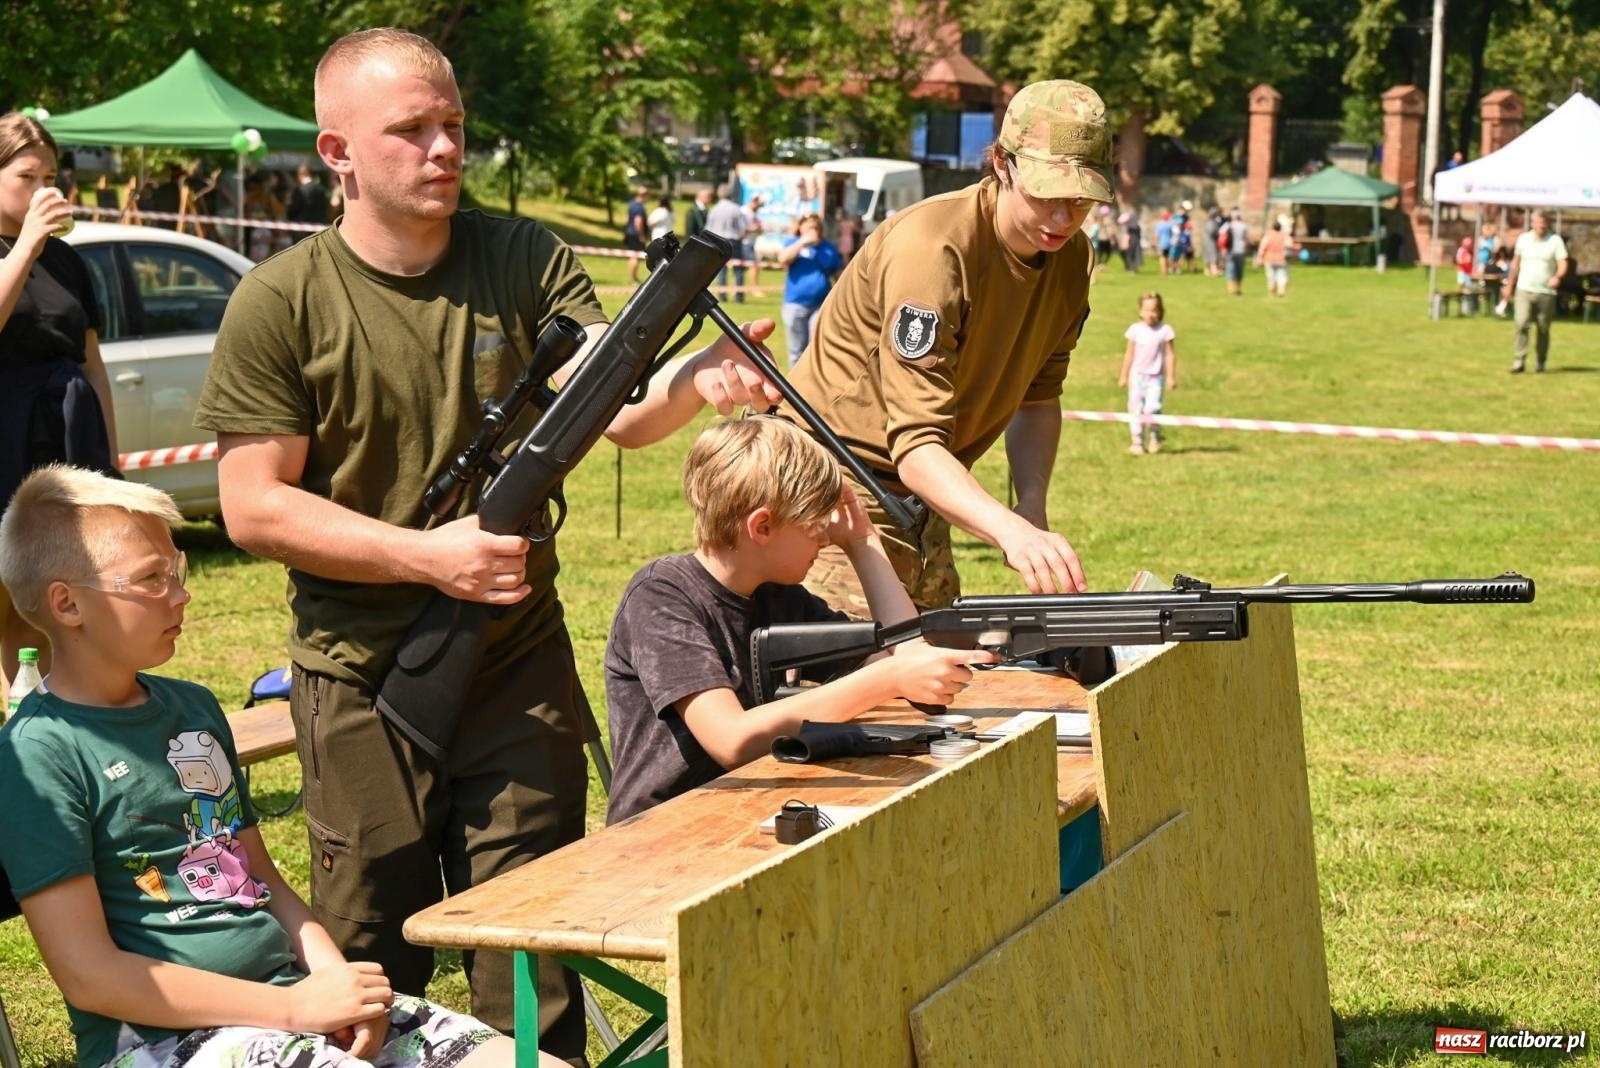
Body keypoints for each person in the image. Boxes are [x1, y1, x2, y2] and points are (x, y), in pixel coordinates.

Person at [192, 28, 781, 1065]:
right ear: (336, 152)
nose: (443, 148)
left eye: (453, 124)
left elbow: (611, 402)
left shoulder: (524, 258)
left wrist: (689, 383)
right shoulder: (281, 301)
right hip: (362, 671)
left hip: (514, 658)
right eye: (410, 129)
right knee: (372, 952)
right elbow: (253, 508)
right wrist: (427, 557)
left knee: (531, 941)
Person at [0, 465, 570, 1068]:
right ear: (67, 603)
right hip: (163, 1042)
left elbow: (260, 876)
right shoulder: (37, 753)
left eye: (177, 571)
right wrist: (294, 1010)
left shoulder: (193, 707)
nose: (181, 593)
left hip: (287, 1005)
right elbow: (89, 977)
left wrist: (337, 983)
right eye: (150, 579)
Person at [778, 79, 1110, 615]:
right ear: (1002, 164)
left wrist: (1030, 507)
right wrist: (1008, 531)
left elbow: (1039, 397)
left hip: (926, 493)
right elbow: (915, 444)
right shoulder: (932, 249)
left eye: (1081, 198)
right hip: (828, 486)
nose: (1064, 217)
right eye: (1047, 193)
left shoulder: (1072, 261)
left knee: (941, 657)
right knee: (859, 660)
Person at [603, 417, 996, 823]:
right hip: (659, 831)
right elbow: (731, 740)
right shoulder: (661, 597)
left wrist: (863, 543)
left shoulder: (779, 596)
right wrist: (889, 679)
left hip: (743, 814)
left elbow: (904, 656)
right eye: (815, 524)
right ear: (762, 526)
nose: (825, 537)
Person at [0, 111, 119, 705]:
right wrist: (25, 245)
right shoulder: (21, 249)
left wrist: (111, 462)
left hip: (66, 433)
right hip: (6, 431)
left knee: (56, 589)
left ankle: (42, 720)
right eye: (27, 176)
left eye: (50, 177)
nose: (44, 189)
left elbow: (92, 362)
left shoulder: (69, 259)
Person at [1504, 211, 1569, 373]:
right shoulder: (1523, 239)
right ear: (1532, 223)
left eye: (1544, 222)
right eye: (1539, 222)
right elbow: (1515, 263)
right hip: (1524, 289)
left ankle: (1541, 361)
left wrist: (1558, 277)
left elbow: (1563, 263)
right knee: (1521, 322)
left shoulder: (1555, 241)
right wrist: (1509, 285)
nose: (1542, 225)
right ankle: (1519, 360)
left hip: (1546, 292)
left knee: (1543, 328)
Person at [776, 212, 843, 368]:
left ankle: (813, 379)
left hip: (820, 305)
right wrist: (802, 242)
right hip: (795, 304)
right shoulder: (793, 243)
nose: (812, 228)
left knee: (817, 347)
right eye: (807, 225)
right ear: (800, 227)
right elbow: (783, 259)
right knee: (796, 350)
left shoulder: (828, 248)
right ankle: (795, 382)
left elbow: (839, 274)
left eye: (815, 226)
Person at [1118, 292, 1177, 455]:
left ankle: (1154, 436)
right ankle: (1137, 441)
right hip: (1137, 376)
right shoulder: (1135, 330)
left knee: (1152, 408)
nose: (1150, 314)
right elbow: (1129, 354)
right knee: (1135, 408)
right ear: (1140, 311)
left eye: (1154, 310)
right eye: (1146, 310)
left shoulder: (1165, 331)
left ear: (1160, 311)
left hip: (1155, 378)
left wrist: (1171, 377)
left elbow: (1170, 355)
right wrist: (1124, 375)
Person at [704, 184, 748, 302]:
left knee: (721, 270)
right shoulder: (736, 209)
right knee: (738, 269)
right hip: (733, 240)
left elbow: (708, 228)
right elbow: (743, 228)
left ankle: (722, 295)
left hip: (718, 241)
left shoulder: (714, 209)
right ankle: (739, 295)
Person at [286, 163, 332, 243]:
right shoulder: (321, 189)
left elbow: (293, 209)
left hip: (302, 228)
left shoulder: (300, 190)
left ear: (300, 175)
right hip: (320, 226)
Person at [1255, 220, 1300, 298]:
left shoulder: (1268, 235)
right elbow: (1290, 245)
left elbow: (1262, 247)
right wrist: (1296, 246)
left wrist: (1260, 258)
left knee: (1271, 277)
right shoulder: (1284, 235)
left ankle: (1272, 293)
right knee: (1282, 276)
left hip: (1269, 259)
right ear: (1280, 228)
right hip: (1282, 259)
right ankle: (1281, 291)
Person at [623, 185, 649, 283]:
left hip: (629, 233)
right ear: (644, 195)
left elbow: (627, 219)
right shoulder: (639, 207)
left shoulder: (631, 204)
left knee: (632, 256)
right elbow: (638, 222)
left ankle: (633, 277)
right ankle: (633, 279)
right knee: (636, 256)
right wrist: (641, 235)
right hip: (636, 234)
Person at [1224, 209, 1250, 296]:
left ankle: (1230, 290)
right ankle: (1238, 289)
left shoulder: (1228, 225)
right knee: (1239, 270)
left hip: (1230, 250)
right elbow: (1246, 239)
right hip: (1240, 250)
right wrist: (1246, 248)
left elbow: (1221, 237)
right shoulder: (1244, 226)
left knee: (1230, 269)